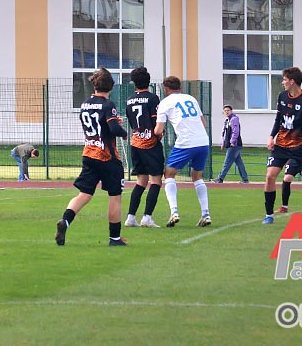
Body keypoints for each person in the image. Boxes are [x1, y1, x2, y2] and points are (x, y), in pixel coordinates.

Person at [55, 67, 129, 246]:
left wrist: (112, 122)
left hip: (89, 153)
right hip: (107, 156)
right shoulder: (108, 104)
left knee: (85, 193)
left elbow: (96, 124)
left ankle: (65, 221)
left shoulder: (85, 104)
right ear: (110, 86)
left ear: (94, 85)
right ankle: (114, 238)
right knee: (115, 195)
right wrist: (124, 132)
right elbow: (112, 129)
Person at [262, 67, 302, 225]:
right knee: (270, 176)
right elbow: (278, 119)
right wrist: (271, 137)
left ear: (292, 81)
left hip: (301, 148)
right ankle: (269, 215)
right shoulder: (282, 96)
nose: (282, 82)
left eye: (284, 79)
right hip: (281, 146)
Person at [155, 76, 212, 228]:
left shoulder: (165, 102)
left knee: (169, 174)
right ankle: (205, 214)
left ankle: (174, 211)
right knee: (197, 177)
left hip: (186, 142)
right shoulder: (191, 98)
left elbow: (158, 130)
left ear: (166, 89)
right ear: (179, 87)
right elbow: (204, 123)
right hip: (203, 141)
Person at [124, 67, 164, 228]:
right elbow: (156, 122)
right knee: (156, 181)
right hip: (150, 143)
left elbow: (131, 122)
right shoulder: (153, 98)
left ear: (134, 83)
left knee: (141, 181)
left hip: (136, 143)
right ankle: (147, 217)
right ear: (148, 81)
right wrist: (159, 135)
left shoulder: (129, 100)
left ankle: (130, 217)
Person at [212, 105, 249, 184]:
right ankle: (245, 179)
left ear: (231, 111)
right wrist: (223, 144)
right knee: (239, 162)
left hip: (234, 145)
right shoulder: (227, 120)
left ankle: (220, 178)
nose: (226, 112)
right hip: (232, 144)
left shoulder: (234, 119)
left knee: (227, 162)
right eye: (225, 111)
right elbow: (225, 133)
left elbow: (235, 131)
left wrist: (232, 141)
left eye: (228, 110)